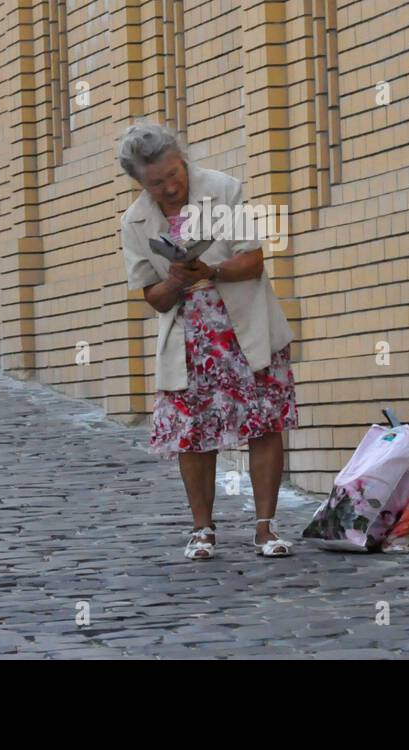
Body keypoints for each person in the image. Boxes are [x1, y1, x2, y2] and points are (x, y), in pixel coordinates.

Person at [118, 122, 298, 559]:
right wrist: (177, 279)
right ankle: (202, 530)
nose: (169, 187)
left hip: (242, 325)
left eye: (174, 174)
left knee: (263, 422)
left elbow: (253, 260)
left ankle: (266, 528)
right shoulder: (136, 221)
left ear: (183, 160)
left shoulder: (224, 189)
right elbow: (153, 298)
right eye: (156, 182)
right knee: (192, 433)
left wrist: (211, 272)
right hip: (188, 336)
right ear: (141, 183)